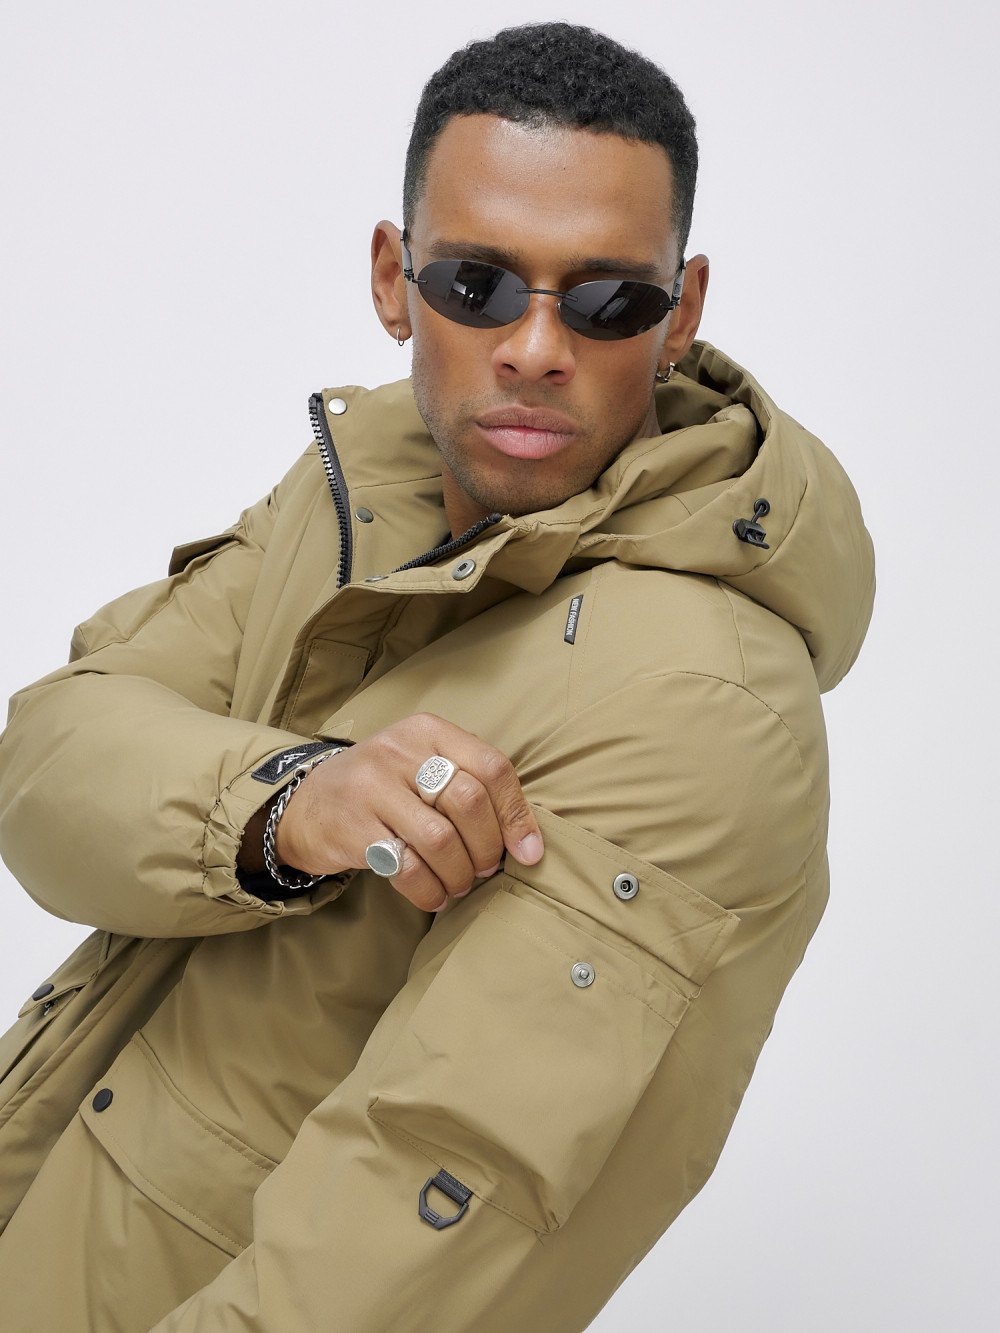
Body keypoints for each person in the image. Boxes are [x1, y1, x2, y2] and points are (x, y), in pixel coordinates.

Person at [0, 21, 874, 1333]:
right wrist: (292, 800)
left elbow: (383, 1260)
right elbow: (48, 759)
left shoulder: (701, 707)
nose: (534, 347)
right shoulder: (364, 489)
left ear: (681, 315)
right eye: (477, 283)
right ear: (391, 278)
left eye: (606, 301)